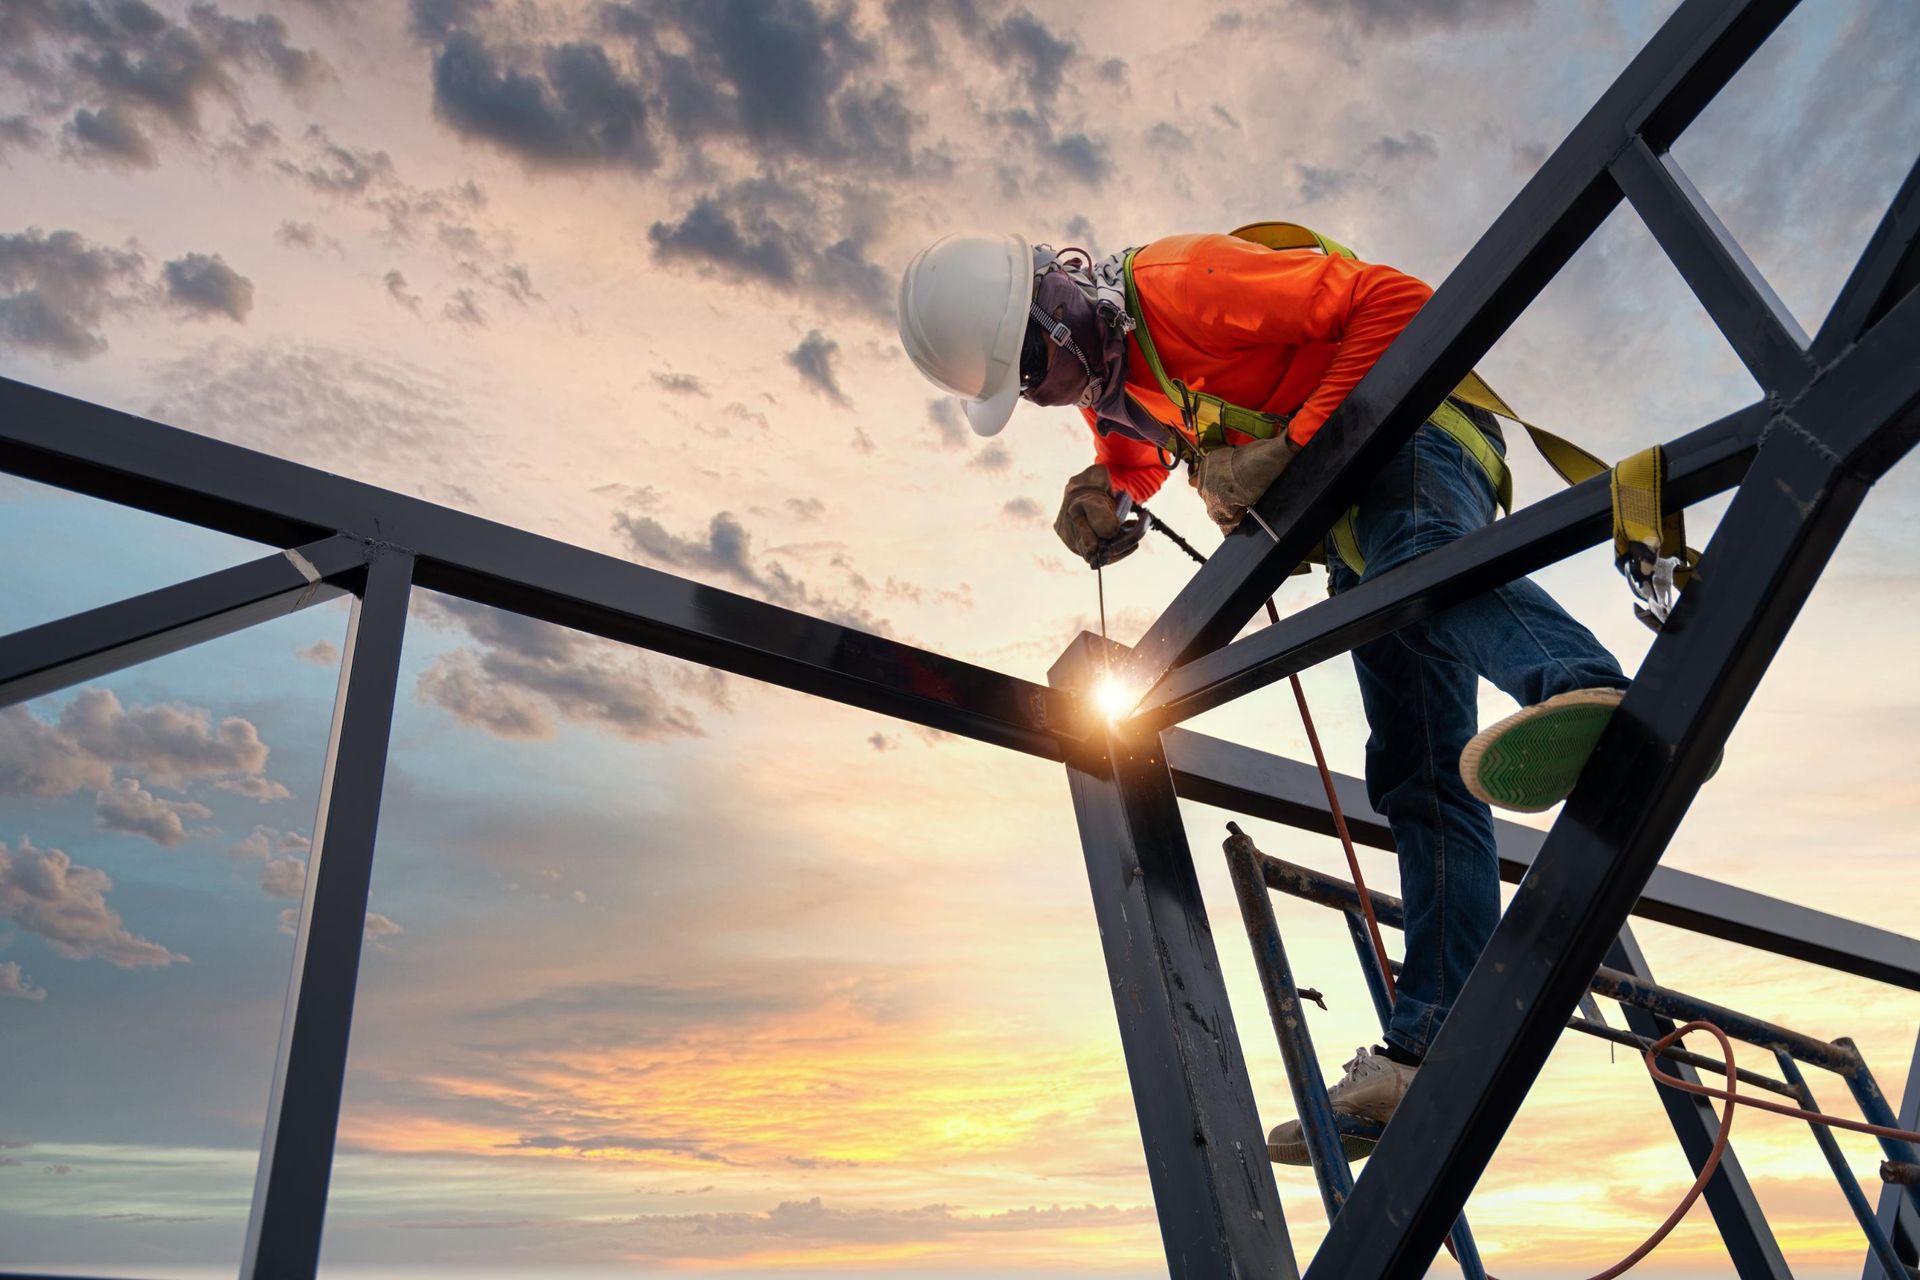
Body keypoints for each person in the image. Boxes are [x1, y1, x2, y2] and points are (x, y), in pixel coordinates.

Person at [896, 230, 1633, 1163]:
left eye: (1034, 366)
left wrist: (1294, 443)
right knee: (1415, 772)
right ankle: (1428, 1046)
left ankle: (1585, 686)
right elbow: (1146, 449)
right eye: (1026, 387)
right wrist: (1108, 490)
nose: (1045, 392)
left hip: (1417, 441)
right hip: (1356, 518)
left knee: (1416, 564)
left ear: (1061, 306)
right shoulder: (1119, 379)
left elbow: (1400, 302)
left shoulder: (1178, 285)